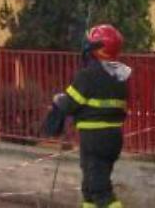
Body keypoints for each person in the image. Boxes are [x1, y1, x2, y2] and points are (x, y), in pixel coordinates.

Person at [48, 24, 130, 208]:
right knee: (89, 188)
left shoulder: (87, 75)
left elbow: (70, 104)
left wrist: (58, 99)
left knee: (100, 191)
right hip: (113, 137)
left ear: (97, 49)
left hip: (94, 138)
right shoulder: (119, 76)